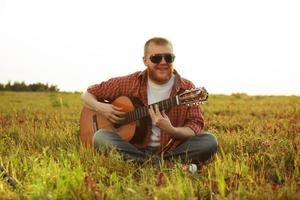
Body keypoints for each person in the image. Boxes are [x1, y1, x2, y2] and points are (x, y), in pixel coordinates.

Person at [81, 37, 218, 165]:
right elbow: (87, 94)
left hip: (172, 150)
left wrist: (172, 130)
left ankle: (144, 163)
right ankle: (166, 165)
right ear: (145, 60)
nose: (163, 62)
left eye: (168, 58)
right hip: (134, 148)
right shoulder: (130, 82)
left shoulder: (187, 88)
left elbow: (194, 127)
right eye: (156, 58)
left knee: (209, 141)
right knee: (100, 137)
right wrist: (101, 107)